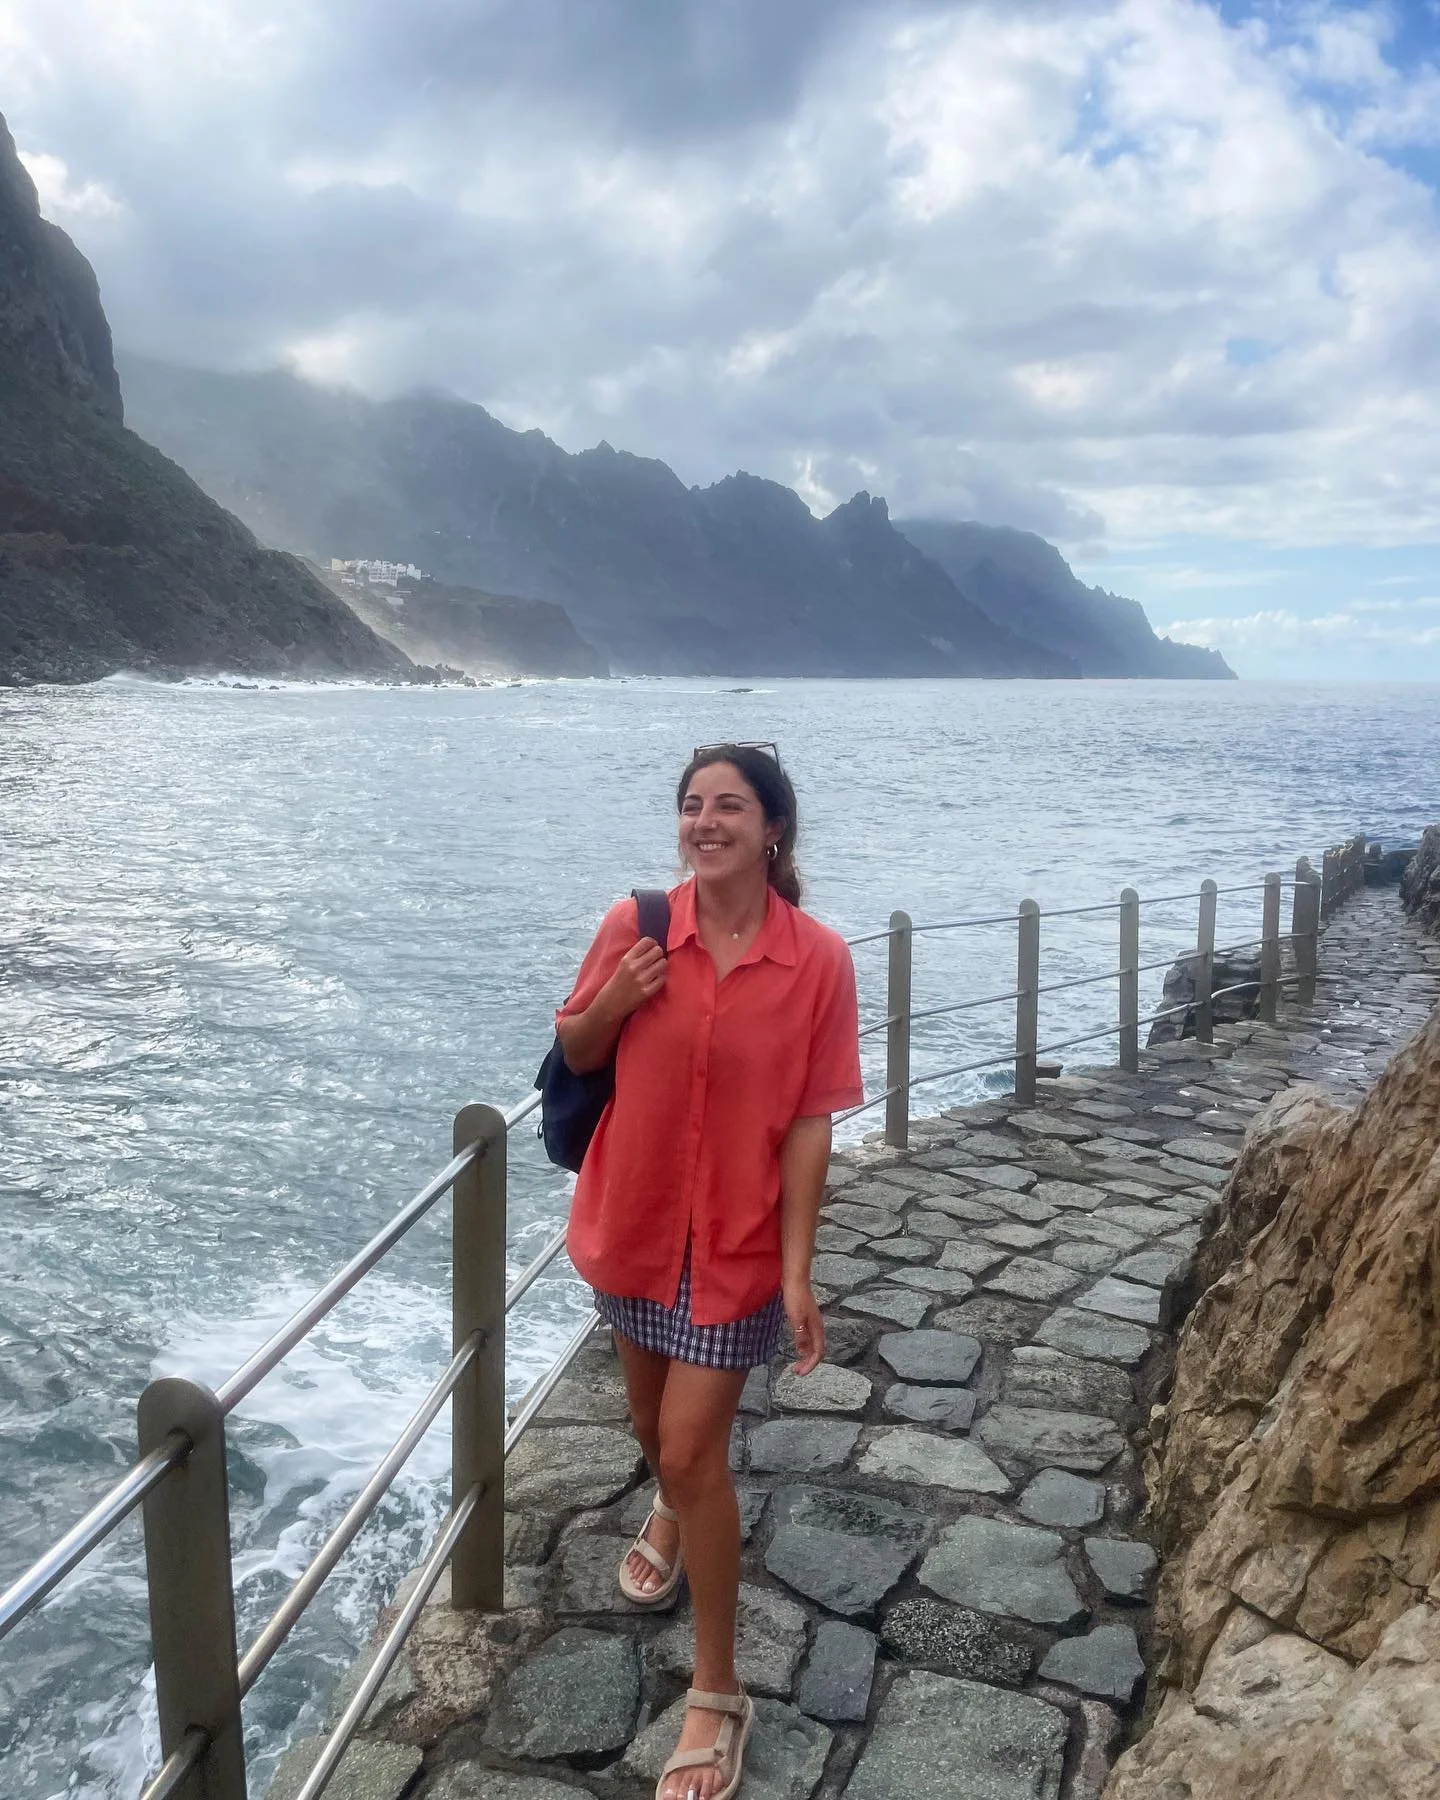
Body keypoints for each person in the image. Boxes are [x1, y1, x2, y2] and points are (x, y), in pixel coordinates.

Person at [555, 742, 863, 1800]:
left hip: (736, 1243)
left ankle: (719, 1690)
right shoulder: (637, 926)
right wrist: (616, 997)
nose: (706, 821)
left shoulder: (818, 960)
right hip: (637, 1225)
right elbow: (577, 1051)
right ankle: (673, 1511)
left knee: (690, 1450)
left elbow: (811, 1122)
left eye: (729, 805)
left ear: (773, 829)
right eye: (692, 804)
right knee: (656, 1435)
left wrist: (798, 1270)